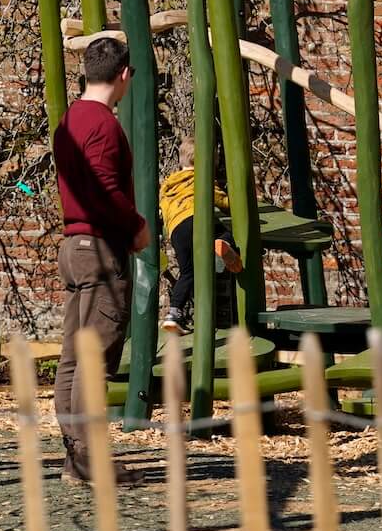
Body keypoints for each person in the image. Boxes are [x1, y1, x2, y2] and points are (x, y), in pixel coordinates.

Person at [52, 36, 150, 483]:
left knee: (74, 357)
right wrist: (137, 226)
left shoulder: (69, 120)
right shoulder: (104, 126)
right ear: (124, 74)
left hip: (73, 247)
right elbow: (106, 190)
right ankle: (91, 460)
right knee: (95, 358)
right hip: (100, 250)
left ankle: (77, 457)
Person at [159, 136, 242, 334]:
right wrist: (236, 205)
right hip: (196, 219)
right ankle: (223, 244)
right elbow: (221, 200)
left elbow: (163, 208)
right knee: (224, 231)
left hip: (176, 230)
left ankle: (173, 314)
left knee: (188, 272)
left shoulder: (169, 184)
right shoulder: (201, 179)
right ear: (207, 161)